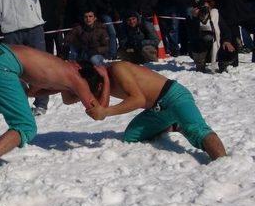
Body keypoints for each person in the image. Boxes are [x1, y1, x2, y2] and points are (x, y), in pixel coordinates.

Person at [0, 44, 105, 169]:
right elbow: (99, 113)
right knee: (26, 127)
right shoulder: (78, 79)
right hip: (4, 63)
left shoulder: (61, 69)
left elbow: (31, 92)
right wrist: (106, 78)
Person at [75, 61, 226, 160]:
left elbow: (137, 99)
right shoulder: (104, 82)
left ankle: (224, 164)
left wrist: (106, 112)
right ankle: (176, 124)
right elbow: (102, 107)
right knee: (131, 136)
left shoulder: (118, 69)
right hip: (157, 109)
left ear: (99, 86)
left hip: (174, 96)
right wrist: (106, 84)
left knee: (198, 130)